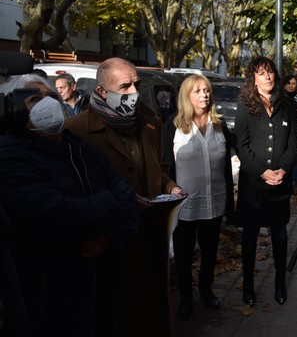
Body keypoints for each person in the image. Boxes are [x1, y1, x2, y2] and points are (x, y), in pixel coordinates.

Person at [0, 74, 138, 336]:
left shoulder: (81, 149)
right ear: (14, 110)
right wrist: (110, 200)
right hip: (51, 299)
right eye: (34, 99)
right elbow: (55, 213)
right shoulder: (10, 155)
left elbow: (128, 197)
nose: (48, 103)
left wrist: (108, 239)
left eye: (51, 96)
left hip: (102, 293)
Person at [65, 57, 185, 337]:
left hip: (149, 236)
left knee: (149, 313)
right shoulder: (76, 130)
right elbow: (74, 192)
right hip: (107, 242)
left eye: (137, 84)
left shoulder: (151, 123)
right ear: (102, 92)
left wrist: (170, 188)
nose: (134, 92)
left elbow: (160, 169)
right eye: (125, 86)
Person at [163, 75, 234, 320]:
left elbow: (229, 163)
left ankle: (206, 289)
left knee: (210, 251)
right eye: (197, 91)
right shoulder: (171, 126)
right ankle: (185, 296)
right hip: (184, 204)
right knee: (183, 254)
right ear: (186, 96)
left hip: (215, 200)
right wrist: (170, 186)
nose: (204, 95)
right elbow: (162, 166)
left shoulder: (219, 124)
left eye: (206, 90)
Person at [235, 57, 297, 307]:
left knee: (280, 236)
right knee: (250, 238)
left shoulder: (287, 104)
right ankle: (248, 287)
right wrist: (263, 172)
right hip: (254, 184)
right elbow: (242, 145)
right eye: (261, 73)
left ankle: (280, 284)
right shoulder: (245, 104)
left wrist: (283, 169)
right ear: (254, 77)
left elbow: (293, 143)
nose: (268, 77)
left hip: (280, 186)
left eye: (270, 72)